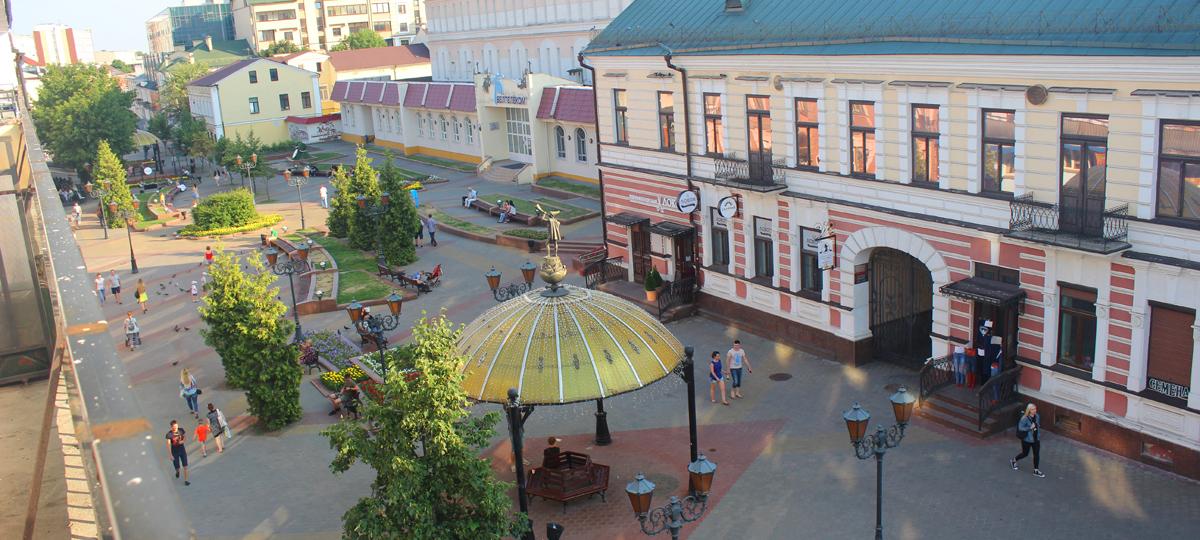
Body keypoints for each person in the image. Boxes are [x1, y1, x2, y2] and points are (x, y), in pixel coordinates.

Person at [1011, 403, 1044, 477]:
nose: (1034, 411)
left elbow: (1037, 424)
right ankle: (1014, 460)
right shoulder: (1024, 418)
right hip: (1027, 440)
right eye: (1032, 409)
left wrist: (1037, 428)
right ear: (1029, 410)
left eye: (1035, 409)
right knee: (1025, 454)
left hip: (1036, 439)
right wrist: (1030, 428)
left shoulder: (1037, 416)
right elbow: (1020, 428)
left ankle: (1036, 470)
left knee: (1036, 455)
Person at [165, 420, 190, 486]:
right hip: (174, 452)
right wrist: (170, 455)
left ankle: (186, 480)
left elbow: (185, 438)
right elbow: (168, 445)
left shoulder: (181, 430)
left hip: (182, 450)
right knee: (177, 467)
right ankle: (177, 471)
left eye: (177, 425)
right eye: (174, 426)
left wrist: (183, 441)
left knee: (185, 466)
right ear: (171, 427)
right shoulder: (169, 434)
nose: (176, 427)